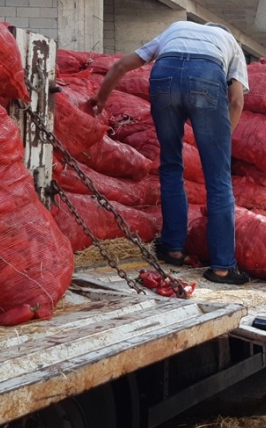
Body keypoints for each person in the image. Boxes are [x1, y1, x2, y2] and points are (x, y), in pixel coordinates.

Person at [88, 21, 250, 285]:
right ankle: (222, 267)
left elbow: (121, 66)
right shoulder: (230, 43)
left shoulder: (176, 29)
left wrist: (101, 98)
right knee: (218, 179)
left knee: (171, 165)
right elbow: (236, 101)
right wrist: (220, 142)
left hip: (165, 74)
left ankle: (174, 248)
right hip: (207, 77)